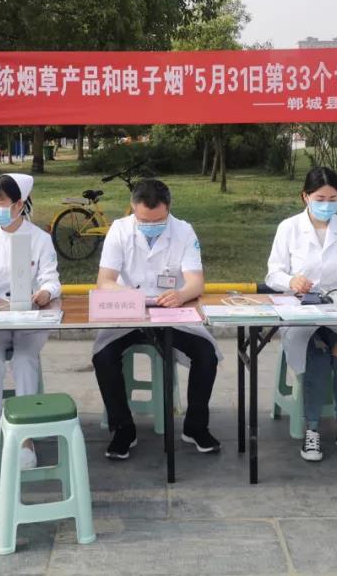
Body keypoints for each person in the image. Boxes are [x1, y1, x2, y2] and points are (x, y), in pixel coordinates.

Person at [92, 178, 220, 460]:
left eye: (158, 221)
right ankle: (123, 428)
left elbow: (196, 282)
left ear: (168, 209)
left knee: (206, 353)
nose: (151, 226)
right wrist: (130, 296)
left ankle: (195, 426)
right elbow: (105, 281)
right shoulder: (119, 230)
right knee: (103, 356)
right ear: (132, 208)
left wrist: (181, 294)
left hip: (171, 314)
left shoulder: (183, 231)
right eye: (144, 221)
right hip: (129, 313)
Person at [265, 166, 337, 462]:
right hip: (301, 311)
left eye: (333, 199)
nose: (327, 204)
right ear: (305, 196)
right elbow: (273, 273)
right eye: (320, 198)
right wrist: (291, 281)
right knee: (315, 355)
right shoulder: (289, 228)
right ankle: (311, 429)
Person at [0, 173, 61, 472]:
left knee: (24, 358)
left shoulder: (40, 239)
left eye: (0, 202)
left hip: (30, 317)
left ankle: (25, 439)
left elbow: (51, 278)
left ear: (19, 204)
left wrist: (45, 292)